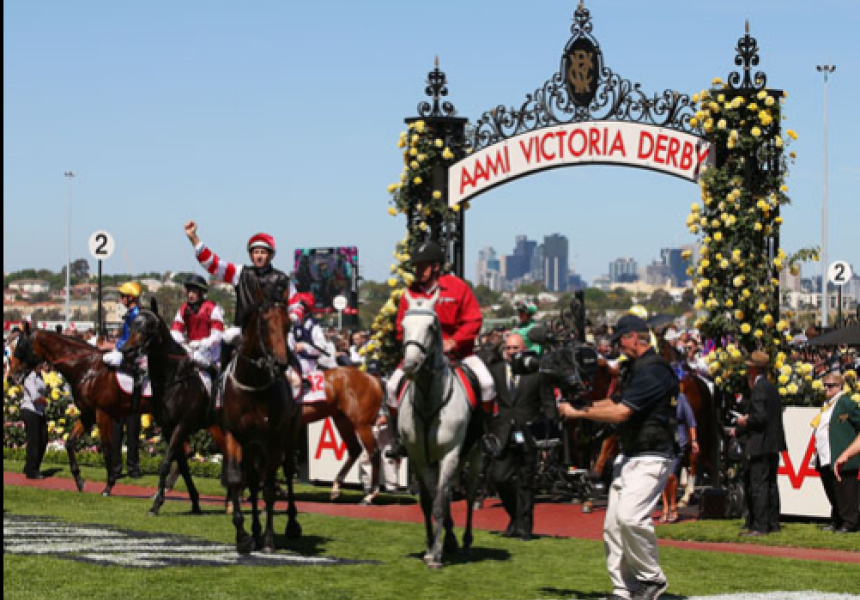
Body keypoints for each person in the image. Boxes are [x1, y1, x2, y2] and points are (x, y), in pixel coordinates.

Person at [559, 314, 676, 600]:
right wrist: (582, 404)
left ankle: (652, 579)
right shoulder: (635, 368)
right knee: (613, 526)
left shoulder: (653, 371)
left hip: (652, 455)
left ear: (634, 337)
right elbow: (614, 403)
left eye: (619, 340)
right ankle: (625, 589)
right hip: (630, 454)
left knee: (630, 518)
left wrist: (578, 412)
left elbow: (623, 412)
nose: (617, 347)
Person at [384, 240, 495, 459]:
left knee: (487, 383)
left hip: (459, 353)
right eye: (415, 267)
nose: (418, 271)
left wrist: (454, 341)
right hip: (419, 356)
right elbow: (400, 327)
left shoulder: (457, 287)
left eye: (422, 266)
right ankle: (398, 439)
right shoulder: (410, 293)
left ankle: (485, 435)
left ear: (436, 266)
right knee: (390, 387)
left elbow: (473, 320)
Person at [184, 220, 297, 349]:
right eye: (255, 252)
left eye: (263, 252)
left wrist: (290, 318)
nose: (259, 256)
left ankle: (294, 370)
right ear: (251, 255)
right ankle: (224, 369)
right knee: (226, 337)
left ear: (271, 255)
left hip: (275, 332)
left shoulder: (283, 279)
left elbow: (296, 306)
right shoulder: (240, 272)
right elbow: (213, 264)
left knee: (290, 345)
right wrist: (194, 239)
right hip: (244, 330)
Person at [487, 333, 557, 541]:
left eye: (515, 348)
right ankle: (515, 515)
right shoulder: (495, 372)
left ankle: (524, 527)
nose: (511, 352)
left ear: (524, 349)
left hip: (529, 432)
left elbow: (548, 403)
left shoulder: (536, 372)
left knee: (526, 481)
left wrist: (549, 435)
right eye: (508, 348)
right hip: (502, 432)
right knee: (499, 477)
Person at [734, 350, 787, 536]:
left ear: (754, 368)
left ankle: (760, 525)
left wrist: (745, 421)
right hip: (773, 443)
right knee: (771, 484)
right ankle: (773, 523)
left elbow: (760, 417)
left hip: (760, 443)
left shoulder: (759, 388)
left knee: (759, 485)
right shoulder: (771, 387)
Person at [103, 281, 143, 479]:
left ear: (130, 298)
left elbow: (131, 341)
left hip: (134, 365)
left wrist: (115, 347)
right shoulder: (131, 315)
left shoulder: (137, 316)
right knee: (123, 425)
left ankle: (129, 467)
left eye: (122, 296)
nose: (120, 299)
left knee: (130, 425)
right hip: (128, 362)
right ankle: (124, 467)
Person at [813, 372, 860, 533]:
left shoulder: (846, 403)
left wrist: (849, 450)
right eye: (825, 385)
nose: (826, 388)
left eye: (830, 385)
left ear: (840, 386)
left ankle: (850, 522)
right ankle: (837, 520)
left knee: (846, 491)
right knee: (832, 490)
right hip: (826, 455)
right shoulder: (827, 404)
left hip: (841, 454)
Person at [170, 274, 225, 370]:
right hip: (191, 350)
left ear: (201, 293)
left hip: (211, 353)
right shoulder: (183, 309)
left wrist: (202, 344)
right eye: (189, 292)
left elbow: (217, 335)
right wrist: (183, 344)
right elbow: (175, 332)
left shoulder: (212, 307)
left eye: (194, 292)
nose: (190, 295)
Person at [659, 392, 698, 524]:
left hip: (678, 441)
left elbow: (691, 421)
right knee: (661, 475)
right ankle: (665, 507)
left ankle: (673, 506)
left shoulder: (681, 398)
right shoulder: (659, 396)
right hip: (662, 441)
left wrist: (694, 440)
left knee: (671, 475)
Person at [20, 362, 49, 480]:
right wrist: (44, 400)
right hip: (30, 410)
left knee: (43, 439)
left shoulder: (40, 376)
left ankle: (31, 466)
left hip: (39, 412)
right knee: (34, 440)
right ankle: (32, 470)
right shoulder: (30, 378)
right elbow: (35, 397)